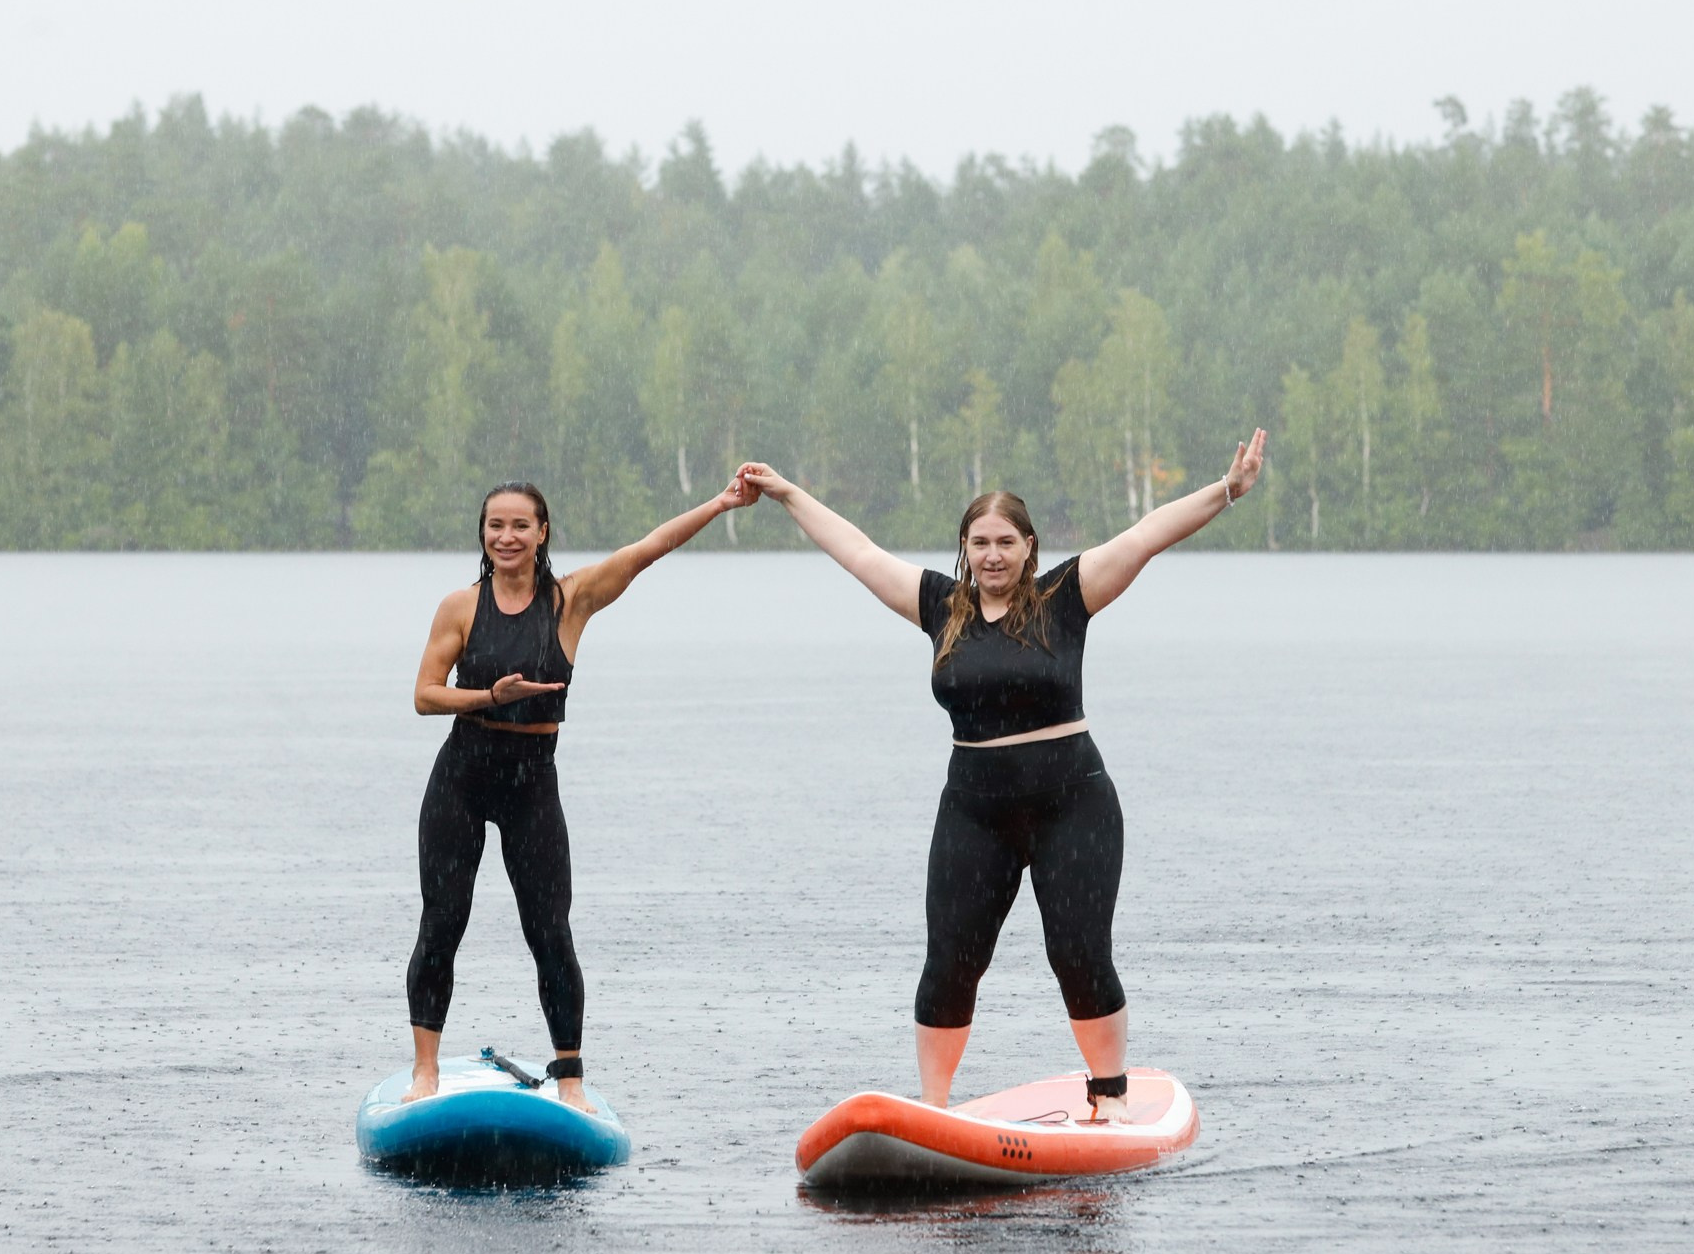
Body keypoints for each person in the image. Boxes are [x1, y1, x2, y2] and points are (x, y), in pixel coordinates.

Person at [738, 429, 1265, 1120]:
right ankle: (932, 1109)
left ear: (1028, 548)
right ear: (965, 550)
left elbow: (1146, 534)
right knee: (951, 964)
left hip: (1073, 804)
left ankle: (1108, 1096)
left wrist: (1227, 491)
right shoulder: (939, 609)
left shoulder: (1066, 597)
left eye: (1005, 543)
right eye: (979, 543)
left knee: (1077, 954)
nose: (992, 555)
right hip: (974, 812)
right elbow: (858, 551)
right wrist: (786, 493)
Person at [404, 476, 757, 1112]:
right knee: (442, 922)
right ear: (483, 535)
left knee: (550, 932)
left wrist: (722, 504)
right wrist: (489, 697)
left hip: (532, 784)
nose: (506, 537)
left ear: (542, 533)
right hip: (461, 777)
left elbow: (649, 548)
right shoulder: (460, 606)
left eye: (519, 526)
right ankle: (423, 1071)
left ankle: (570, 1081)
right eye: (495, 526)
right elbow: (425, 694)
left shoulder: (571, 601)